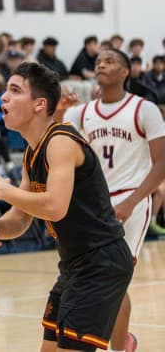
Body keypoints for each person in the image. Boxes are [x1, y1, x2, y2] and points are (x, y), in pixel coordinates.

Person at [0, 63, 133, 352]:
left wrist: (6, 191)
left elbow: (54, 207)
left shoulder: (60, 142)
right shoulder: (31, 152)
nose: (4, 98)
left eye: (15, 90)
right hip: (74, 265)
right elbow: (22, 218)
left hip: (101, 262)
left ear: (39, 104)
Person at [60, 49, 165, 352]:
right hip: (96, 205)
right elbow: (54, 145)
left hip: (131, 201)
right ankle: (125, 342)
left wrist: (132, 202)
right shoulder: (81, 112)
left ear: (125, 71)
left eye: (109, 61)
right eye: (98, 62)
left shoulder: (144, 110)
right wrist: (58, 113)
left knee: (114, 277)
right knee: (106, 279)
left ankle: (120, 348)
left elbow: (161, 163)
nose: (101, 64)